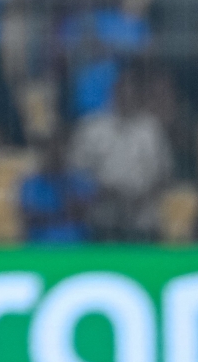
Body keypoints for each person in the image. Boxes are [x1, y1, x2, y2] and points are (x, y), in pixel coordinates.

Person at [68, 69, 173, 241]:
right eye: (121, 91)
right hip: (103, 218)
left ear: (138, 96)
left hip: (143, 221)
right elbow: (76, 172)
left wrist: (141, 198)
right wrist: (103, 191)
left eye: (131, 92)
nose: (126, 97)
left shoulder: (151, 130)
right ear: (113, 93)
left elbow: (164, 174)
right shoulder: (91, 128)